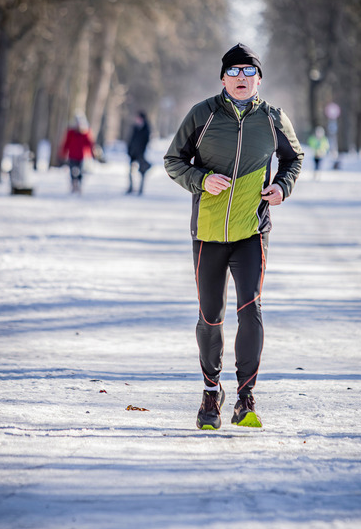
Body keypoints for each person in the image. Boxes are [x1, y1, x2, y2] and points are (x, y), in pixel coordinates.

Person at [164, 43, 304, 430]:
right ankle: (211, 392)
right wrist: (202, 180)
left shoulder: (273, 118)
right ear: (223, 78)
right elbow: (173, 161)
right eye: (234, 71)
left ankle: (245, 397)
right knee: (210, 317)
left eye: (249, 71)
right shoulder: (203, 114)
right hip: (208, 232)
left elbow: (294, 159)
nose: (242, 78)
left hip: (251, 232)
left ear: (259, 79)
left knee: (250, 311)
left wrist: (282, 187)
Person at [59, 114, 95, 193]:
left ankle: (79, 184)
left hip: (81, 156)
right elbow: (66, 143)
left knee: (80, 171)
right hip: (72, 155)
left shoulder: (85, 133)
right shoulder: (71, 133)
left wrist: (92, 153)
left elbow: (89, 144)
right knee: (73, 170)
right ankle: (73, 184)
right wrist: (63, 153)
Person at [126, 111, 151, 195]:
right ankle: (131, 187)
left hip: (141, 154)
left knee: (142, 171)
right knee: (130, 171)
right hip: (133, 153)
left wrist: (141, 152)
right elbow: (131, 140)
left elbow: (146, 142)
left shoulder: (146, 129)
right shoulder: (135, 128)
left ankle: (141, 189)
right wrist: (129, 150)